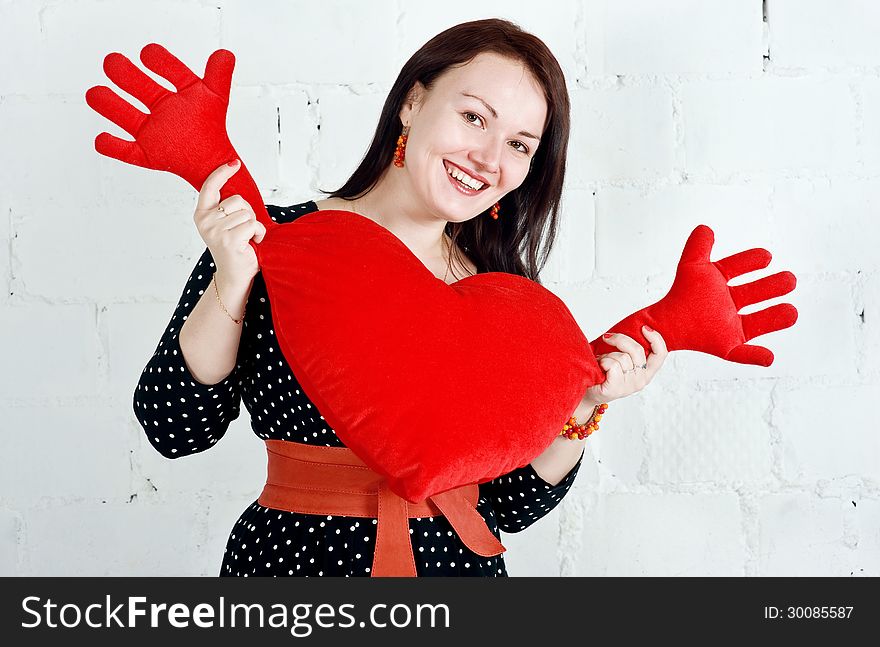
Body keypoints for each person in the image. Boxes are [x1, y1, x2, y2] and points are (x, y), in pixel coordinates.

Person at [133, 18, 668, 577]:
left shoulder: (507, 298)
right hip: (290, 565)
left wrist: (584, 404)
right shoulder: (272, 243)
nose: (488, 157)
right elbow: (175, 429)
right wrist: (232, 280)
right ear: (412, 103)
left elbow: (510, 505)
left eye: (517, 144)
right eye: (473, 117)